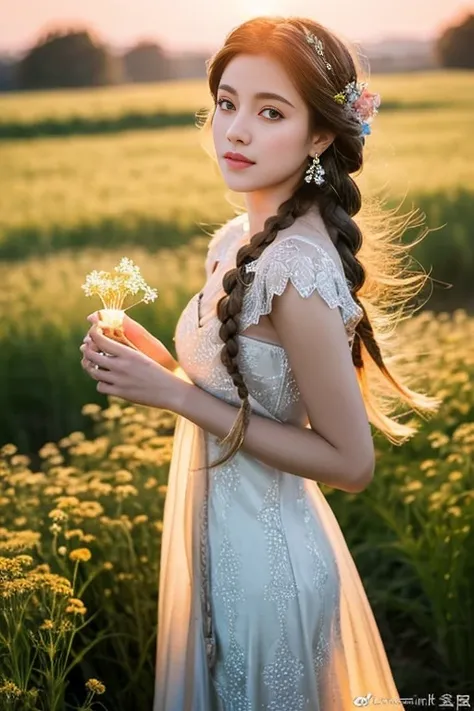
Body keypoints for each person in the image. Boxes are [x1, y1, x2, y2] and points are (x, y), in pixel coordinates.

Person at [81, 15, 442, 711]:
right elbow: (239, 389)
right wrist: (157, 364)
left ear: (319, 135)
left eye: (269, 111)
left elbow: (351, 463)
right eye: (226, 103)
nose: (235, 130)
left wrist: (177, 398)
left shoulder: (296, 273)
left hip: (271, 579)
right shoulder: (232, 241)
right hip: (220, 549)